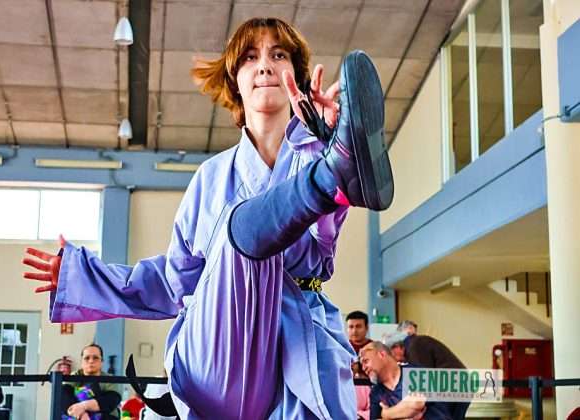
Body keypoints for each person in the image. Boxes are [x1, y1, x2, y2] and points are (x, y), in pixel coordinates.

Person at [23, 16, 393, 419]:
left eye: (278, 55)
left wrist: (320, 146)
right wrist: (84, 276)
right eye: (250, 57)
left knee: (261, 224)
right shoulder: (210, 178)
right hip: (219, 357)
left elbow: (322, 250)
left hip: (296, 343)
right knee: (238, 231)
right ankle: (326, 182)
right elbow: (172, 282)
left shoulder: (314, 151)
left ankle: (328, 181)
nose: (265, 66)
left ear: (297, 77)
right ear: (235, 80)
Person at [359, 342, 453, 420]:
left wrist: (386, 414)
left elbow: (415, 404)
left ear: (382, 354)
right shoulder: (375, 392)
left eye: (366, 361)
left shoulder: (416, 373)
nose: (363, 368)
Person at [385, 332, 469, 419]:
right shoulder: (416, 343)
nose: (395, 361)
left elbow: (422, 382)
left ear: (397, 347)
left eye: (391, 355)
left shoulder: (414, 347)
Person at [61, 344, 121, 420]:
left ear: (101, 362)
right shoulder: (73, 376)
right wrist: (82, 415)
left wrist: (83, 406)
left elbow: (112, 399)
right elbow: (63, 396)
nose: (91, 361)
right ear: (81, 362)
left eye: (95, 358)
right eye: (87, 358)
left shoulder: (109, 379)